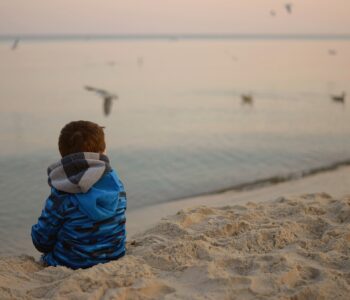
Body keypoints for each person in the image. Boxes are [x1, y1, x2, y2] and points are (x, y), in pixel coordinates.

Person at [31, 120, 127, 269]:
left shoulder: (62, 193)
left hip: (71, 263)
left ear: (62, 154)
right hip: (115, 256)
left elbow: (41, 241)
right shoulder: (116, 185)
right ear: (103, 152)